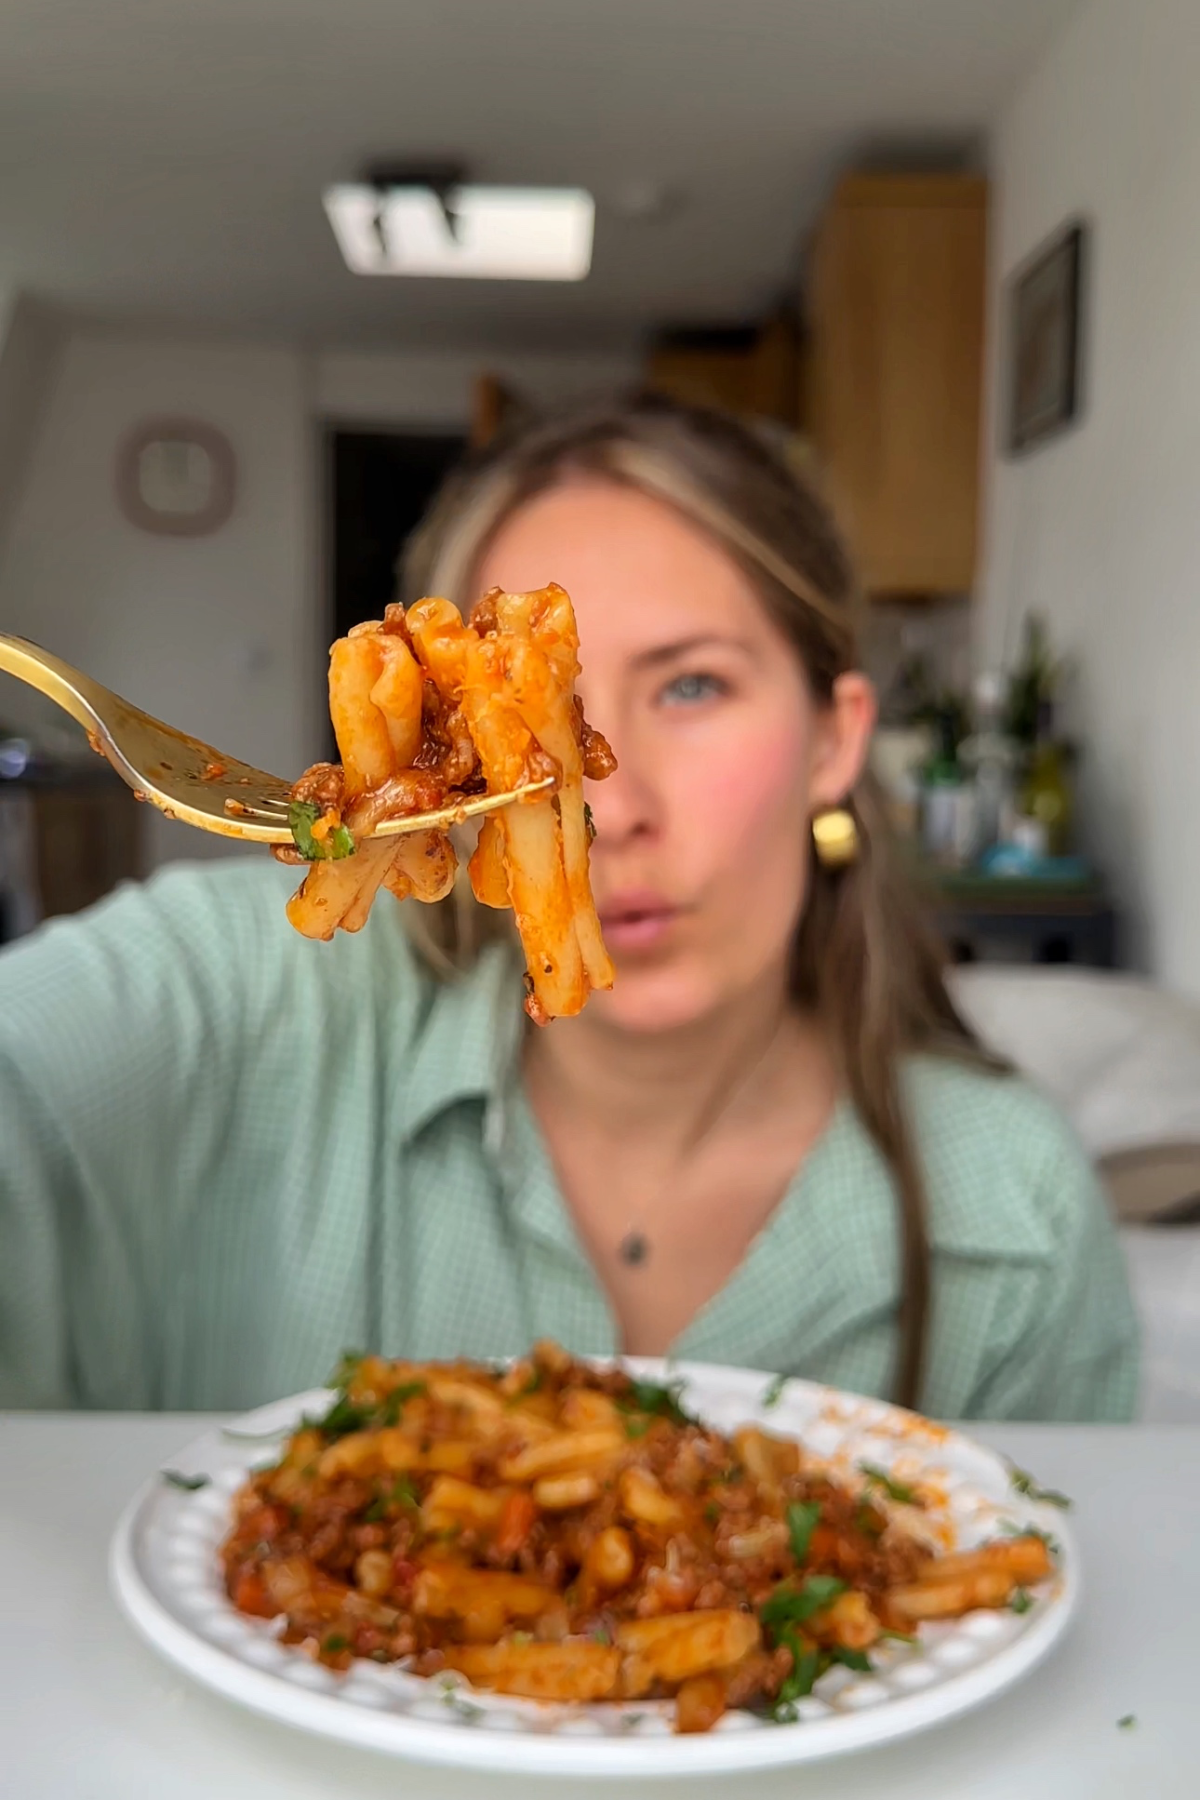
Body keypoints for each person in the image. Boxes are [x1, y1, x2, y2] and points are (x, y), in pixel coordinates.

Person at [0, 394, 1137, 1420]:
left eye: (693, 685)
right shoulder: (232, 994)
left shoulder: (1014, 1212)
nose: (617, 807)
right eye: (531, 712)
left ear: (835, 739)